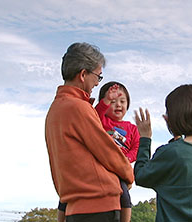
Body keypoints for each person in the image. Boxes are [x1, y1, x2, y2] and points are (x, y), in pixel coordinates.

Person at [45, 42, 134, 222]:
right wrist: (128, 175)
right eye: (98, 76)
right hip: (99, 206)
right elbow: (106, 150)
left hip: (74, 207)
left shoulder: (55, 109)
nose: (97, 82)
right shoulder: (78, 107)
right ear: (83, 74)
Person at [134, 84, 192, 222]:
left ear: (173, 117)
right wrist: (177, 135)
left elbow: (141, 176)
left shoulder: (170, 153)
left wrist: (145, 139)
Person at [95, 81, 140, 222]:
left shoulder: (132, 128)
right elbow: (95, 113)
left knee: (125, 197)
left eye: (122, 101)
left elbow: (137, 147)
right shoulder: (101, 120)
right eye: (113, 101)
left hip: (120, 170)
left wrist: (127, 158)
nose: (118, 105)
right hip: (102, 166)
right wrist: (106, 100)